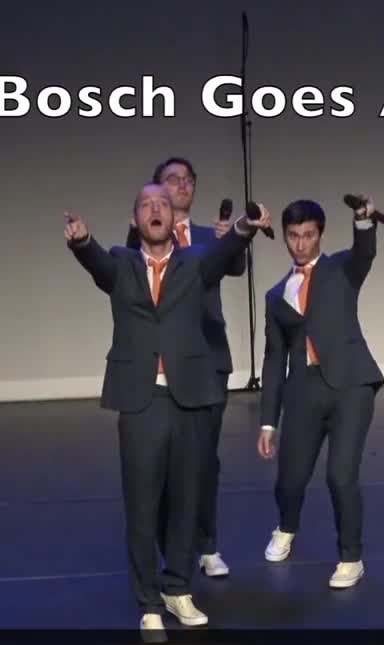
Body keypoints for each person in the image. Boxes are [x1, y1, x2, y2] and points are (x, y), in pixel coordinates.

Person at [64, 184, 270, 633]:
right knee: (142, 505)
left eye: (163, 204)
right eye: (146, 204)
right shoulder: (121, 263)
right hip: (141, 400)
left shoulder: (195, 263)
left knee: (186, 500)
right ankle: (149, 602)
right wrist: (82, 241)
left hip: (190, 396)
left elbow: (226, 251)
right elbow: (95, 262)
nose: (156, 209)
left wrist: (245, 226)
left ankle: (178, 588)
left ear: (173, 216)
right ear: (136, 218)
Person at [256, 197, 384, 588]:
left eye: (308, 235)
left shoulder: (342, 268)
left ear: (320, 235)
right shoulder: (276, 296)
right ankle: (286, 527)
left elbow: (365, 252)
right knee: (289, 480)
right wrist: (267, 422)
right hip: (304, 390)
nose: (300, 243)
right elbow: (274, 361)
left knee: (340, 476)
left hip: (351, 384)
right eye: (293, 236)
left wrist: (363, 221)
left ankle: (351, 558)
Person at [128, 157, 243, 579]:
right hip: (160, 366)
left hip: (207, 358)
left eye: (188, 180)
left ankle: (207, 545)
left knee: (204, 459)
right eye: (172, 180)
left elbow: (236, 267)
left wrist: (230, 241)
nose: (182, 186)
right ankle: (169, 546)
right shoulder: (143, 236)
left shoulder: (210, 237)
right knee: (159, 463)